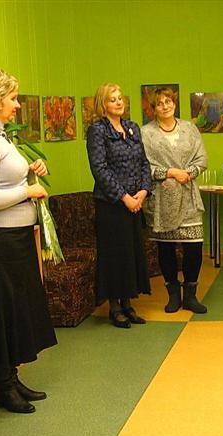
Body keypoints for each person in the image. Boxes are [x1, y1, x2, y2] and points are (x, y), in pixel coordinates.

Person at [0, 68, 56, 413]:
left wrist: (31, 170)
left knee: (17, 307)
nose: (17, 105)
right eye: (13, 98)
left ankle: (12, 378)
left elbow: (5, 180)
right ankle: (3, 386)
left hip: (15, 236)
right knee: (3, 308)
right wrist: (27, 191)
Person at [86, 83, 152, 328]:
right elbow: (100, 169)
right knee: (115, 255)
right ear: (103, 105)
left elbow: (144, 162)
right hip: (112, 204)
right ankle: (114, 307)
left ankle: (128, 303)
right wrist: (124, 197)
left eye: (120, 98)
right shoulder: (97, 130)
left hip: (136, 201)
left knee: (130, 253)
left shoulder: (132, 128)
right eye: (112, 99)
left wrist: (143, 192)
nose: (118, 102)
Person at [141, 87, 208, 314]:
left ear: (174, 103)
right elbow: (143, 166)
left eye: (168, 101)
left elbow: (202, 158)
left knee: (194, 247)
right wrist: (169, 172)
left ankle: (190, 296)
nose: (165, 106)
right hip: (162, 199)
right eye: (159, 103)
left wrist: (187, 173)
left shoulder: (190, 128)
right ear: (154, 108)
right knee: (166, 248)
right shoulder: (146, 133)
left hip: (188, 196)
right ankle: (173, 296)